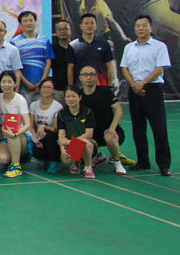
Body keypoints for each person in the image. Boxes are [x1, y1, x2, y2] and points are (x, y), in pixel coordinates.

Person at [121, 14, 172, 176]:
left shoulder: (159, 46)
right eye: (137, 26)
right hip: (134, 91)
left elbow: (160, 68)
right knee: (138, 128)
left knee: (159, 128)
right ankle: (143, 161)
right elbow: (124, 68)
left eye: (144, 25)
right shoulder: (129, 47)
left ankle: (164, 164)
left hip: (153, 90)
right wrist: (134, 85)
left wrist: (142, 83)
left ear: (151, 28)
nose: (140, 28)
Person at [78, 66, 127, 175]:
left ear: (96, 77)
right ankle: (96, 156)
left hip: (108, 132)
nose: (88, 77)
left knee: (110, 136)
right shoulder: (78, 95)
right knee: (69, 159)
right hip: (90, 135)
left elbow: (118, 110)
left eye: (91, 74)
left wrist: (112, 128)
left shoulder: (105, 91)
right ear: (80, 78)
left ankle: (117, 162)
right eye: (85, 75)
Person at [0, 70, 32, 178]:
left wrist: (15, 133)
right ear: (0, 83)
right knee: (1, 159)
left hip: (21, 136)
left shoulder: (20, 100)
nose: (6, 85)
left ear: (15, 84)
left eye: (9, 82)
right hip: (6, 137)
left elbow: (27, 124)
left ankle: (16, 166)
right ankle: (13, 157)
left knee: (12, 134)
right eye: (3, 82)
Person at [11, 11, 55, 102]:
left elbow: (48, 62)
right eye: (25, 21)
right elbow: (15, 66)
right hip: (23, 88)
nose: (29, 23)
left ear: (35, 22)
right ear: (20, 24)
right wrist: (26, 83)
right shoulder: (14, 42)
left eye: (31, 20)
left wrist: (41, 83)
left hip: (42, 89)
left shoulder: (44, 40)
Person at [57, 87, 97, 179]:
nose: (70, 99)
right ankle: (76, 162)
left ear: (80, 97)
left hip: (89, 144)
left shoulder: (87, 112)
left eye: (73, 96)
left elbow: (89, 134)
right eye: (68, 96)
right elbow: (61, 134)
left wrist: (69, 142)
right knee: (65, 160)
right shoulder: (62, 113)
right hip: (71, 146)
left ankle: (88, 167)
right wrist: (62, 149)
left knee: (85, 143)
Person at [66, 13, 115, 88]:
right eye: (86, 23)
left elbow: (109, 66)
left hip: (101, 87)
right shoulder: (73, 45)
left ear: (96, 25)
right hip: (80, 88)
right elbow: (70, 69)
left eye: (92, 23)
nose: (89, 26)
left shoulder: (104, 44)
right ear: (81, 26)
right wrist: (71, 88)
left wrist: (110, 86)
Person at [29, 78, 63, 174]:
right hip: (39, 138)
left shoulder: (58, 106)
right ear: (40, 89)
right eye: (44, 87)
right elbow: (31, 127)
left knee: (49, 133)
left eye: (49, 87)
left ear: (54, 90)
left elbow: (55, 129)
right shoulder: (33, 105)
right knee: (35, 151)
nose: (46, 89)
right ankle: (48, 159)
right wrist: (36, 140)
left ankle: (55, 160)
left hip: (52, 138)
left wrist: (43, 127)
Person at [51, 19, 72, 104]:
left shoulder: (77, 46)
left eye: (65, 29)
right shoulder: (52, 48)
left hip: (76, 89)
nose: (62, 31)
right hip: (58, 90)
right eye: (59, 29)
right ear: (56, 32)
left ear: (70, 30)